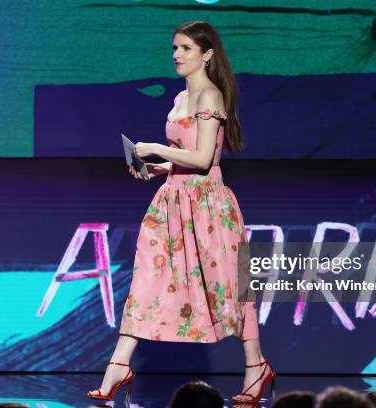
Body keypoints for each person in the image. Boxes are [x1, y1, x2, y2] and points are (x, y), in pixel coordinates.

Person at [87, 21, 274, 404]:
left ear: (207, 55)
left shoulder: (211, 97)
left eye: (186, 48)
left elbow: (205, 159)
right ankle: (119, 364)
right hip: (172, 202)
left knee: (228, 288)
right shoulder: (178, 100)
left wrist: (157, 149)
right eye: (175, 47)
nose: (177, 54)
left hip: (208, 205)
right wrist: (159, 169)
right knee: (148, 279)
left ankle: (256, 366)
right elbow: (187, 160)